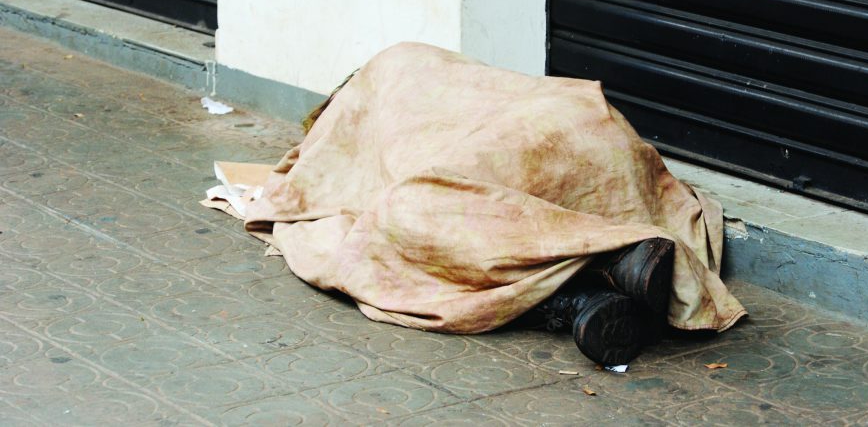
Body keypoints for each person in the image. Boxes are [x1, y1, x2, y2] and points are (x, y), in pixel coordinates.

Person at [237, 43, 747, 365]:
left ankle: (598, 269)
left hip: (539, 140)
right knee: (439, 208)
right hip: (600, 136)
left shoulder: (382, 82)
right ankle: (610, 280)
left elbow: (322, 169)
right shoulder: (417, 63)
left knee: (398, 220)